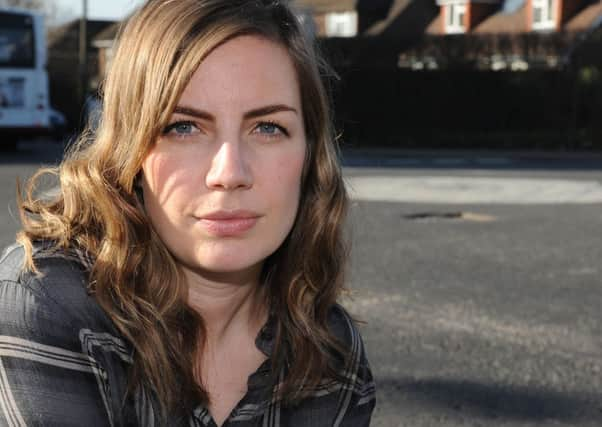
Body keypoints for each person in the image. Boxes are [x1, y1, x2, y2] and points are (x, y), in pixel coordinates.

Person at [0, 0, 376, 425]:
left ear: (310, 156)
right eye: (183, 127)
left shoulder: (332, 357)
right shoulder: (47, 302)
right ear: (131, 153)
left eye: (268, 128)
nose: (229, 173)